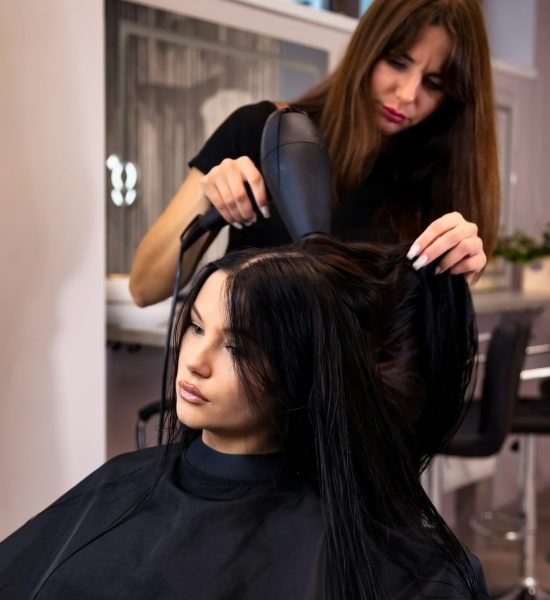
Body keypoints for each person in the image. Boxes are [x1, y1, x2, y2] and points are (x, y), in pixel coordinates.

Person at [0, 236, 486, 599]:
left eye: (237, 346)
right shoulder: (122, 482)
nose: (195, 360)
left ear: (301, 369)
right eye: (195, 327)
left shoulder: (369, 552)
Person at [129, 0, 499, 308]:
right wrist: (206, 194)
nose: (407, 93)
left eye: (434, 84)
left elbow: (415, 350)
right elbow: (145, 288)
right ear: (367, 51)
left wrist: (456, 283)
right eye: (397, 63)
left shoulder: (434, 183)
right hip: (253, 392)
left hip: (360, 397)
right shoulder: (259, 132)